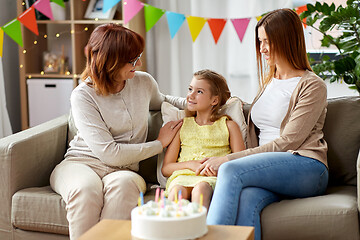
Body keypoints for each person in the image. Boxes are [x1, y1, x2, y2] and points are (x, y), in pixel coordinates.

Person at [202, 9, 329, 240]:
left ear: (287, 40)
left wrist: (228, 159)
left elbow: (289, 141)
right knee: (247, 198)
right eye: (260, 41)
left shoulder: (312, 85)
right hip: (270, 170)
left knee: (229, 170)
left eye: (268, 42)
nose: (262, 49)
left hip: (306, 167)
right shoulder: (269, 82)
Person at [49, 23, 185, 239]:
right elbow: (109, 153)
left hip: (125, 170)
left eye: (138, 56)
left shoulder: (143, 82)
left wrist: (203, 101)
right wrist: (159, 143)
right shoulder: (83, 95)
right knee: (85, 191)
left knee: (124, 188)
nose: (138, 64)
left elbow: (164, 100)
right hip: (82, 163)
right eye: (132, 60)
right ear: (109, 61)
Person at [161, 70, 245, 209]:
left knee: (200, 190)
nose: (190, 95)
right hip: (182, 176)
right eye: (190, 89)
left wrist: (218, 169)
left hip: (210, 178)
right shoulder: (182, 126)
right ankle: (174, 228)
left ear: (214, 100)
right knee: (177, 192)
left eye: (199, 92)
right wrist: (191, 164)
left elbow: (242, 161)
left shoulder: (229, 125)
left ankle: (200, 228)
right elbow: (166, 168)